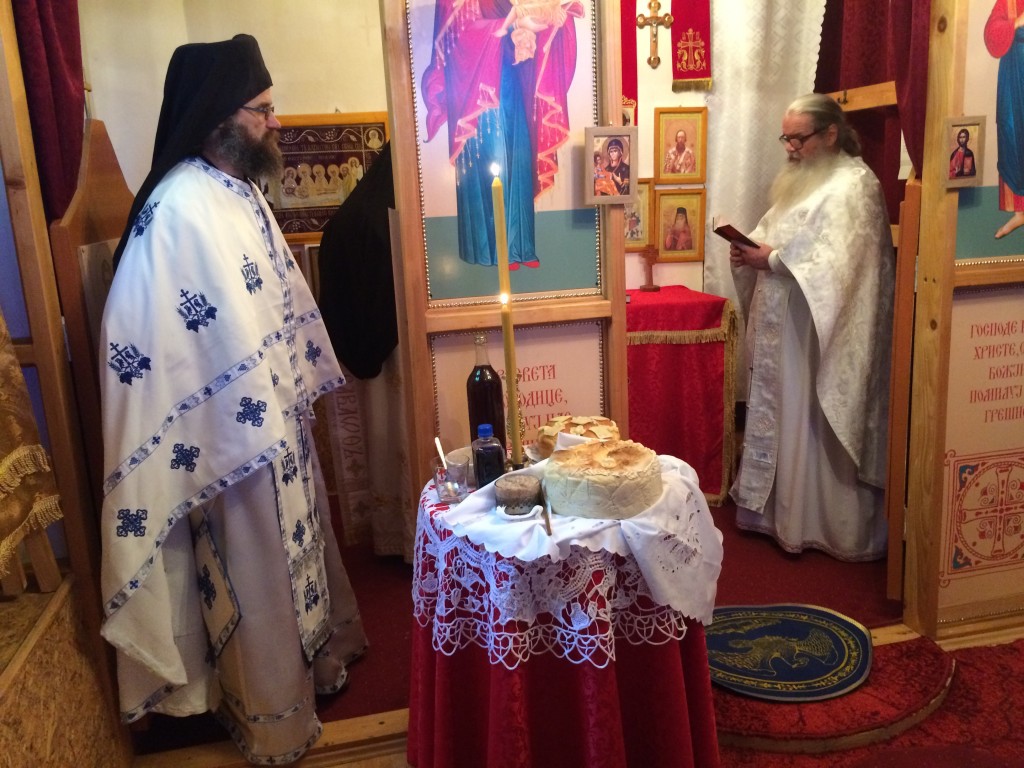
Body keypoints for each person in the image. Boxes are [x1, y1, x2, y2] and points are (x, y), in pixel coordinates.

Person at [100, 35, 367, 765]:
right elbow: (143, 335)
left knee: (293, 561)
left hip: (273, 423)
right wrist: (230, 412)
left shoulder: (237, 192)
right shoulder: (179, 208)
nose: (275, 122)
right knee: (255, 575)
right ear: (221, 115)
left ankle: (315, 667)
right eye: (263, 109)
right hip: (229, 443)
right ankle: (272, 715)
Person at [728, 92, 894, 562]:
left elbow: (839, 262)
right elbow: (774, 233)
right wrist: (748, 248)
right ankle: (773, 513)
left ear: (830, 133)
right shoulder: (802, 179)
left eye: (798, 139)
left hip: (817, 333)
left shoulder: (855, 184)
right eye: (785, 138)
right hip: (784, 324)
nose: (790, 148)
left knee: (807, 417)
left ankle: (814, 523)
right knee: (782, 411)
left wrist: (772, 259)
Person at [421, 0, 584, 267]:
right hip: (480, 93)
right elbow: (457, 39)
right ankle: (496, 250)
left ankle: (521, 247)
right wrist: (511, 22)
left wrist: (553, 18)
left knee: (519, 157)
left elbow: (535, 12)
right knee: (495, 160)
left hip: (512, 78)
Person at [985, 2, 1024, 238]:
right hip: (1015, 72)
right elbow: (991, 32)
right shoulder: (1008, 2)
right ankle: (1021, 210)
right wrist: (1016, 23)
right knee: (1013, 135)